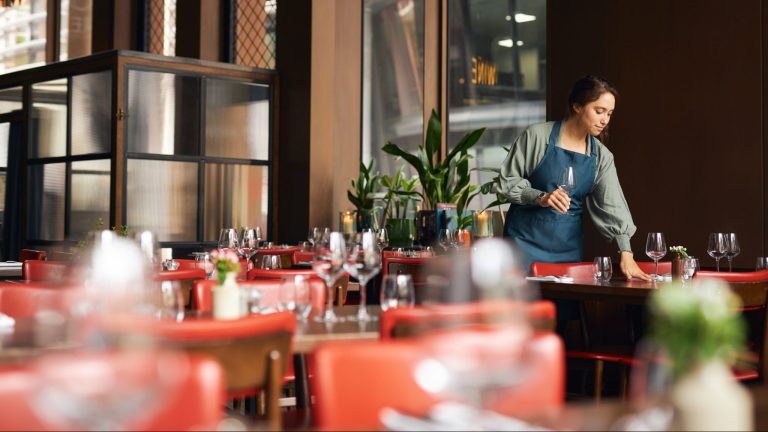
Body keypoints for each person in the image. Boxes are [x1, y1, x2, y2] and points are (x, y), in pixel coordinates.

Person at [497, 75, 651, 281]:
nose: (605, 120)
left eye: (610, 113)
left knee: (566, 311)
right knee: (527, 312)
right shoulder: (537, 137)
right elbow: (507, 181)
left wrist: (626, 252)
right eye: (599, 111)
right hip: (523, 246)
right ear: (577, 106)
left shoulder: (601, 156)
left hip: (568, 252)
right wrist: (540, 196)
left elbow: (613, 205)